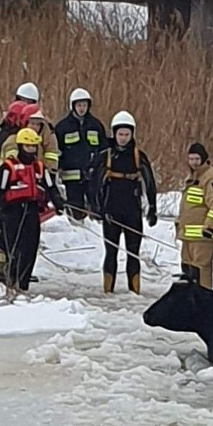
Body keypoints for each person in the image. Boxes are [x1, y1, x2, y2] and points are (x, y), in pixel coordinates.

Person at [87, 110, 157, 295]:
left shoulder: (138, 156)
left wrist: (153, 208)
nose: (123, 138)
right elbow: (94, 185)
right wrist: (96, 207)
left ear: (132, 134)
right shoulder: (106, 156)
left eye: (127, 134)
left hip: (133, 212)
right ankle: (108, 292)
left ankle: (135, 292)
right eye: (120, 134)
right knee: (111, 252)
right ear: (114, 134)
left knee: (133, 253)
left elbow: (150, 183)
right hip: (111, 213)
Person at [0, 127, 64, 293]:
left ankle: (23, 286)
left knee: (30, 248)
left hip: (31, 211)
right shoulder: (8, 167)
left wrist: (58, 203)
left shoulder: (39, 167)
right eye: (27, 146)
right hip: (12, 212)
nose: (30, 150)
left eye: (33, 147)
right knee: (14, 249)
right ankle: (11, 283)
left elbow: (50, 187)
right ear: (20, 146)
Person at [53, 88, 107, 221]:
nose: (82, 108)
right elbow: (56, 151)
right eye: (79, 105)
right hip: (71, 177)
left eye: (84, 105)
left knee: (97, 208)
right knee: (75, 209)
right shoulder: (62, 127)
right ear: (72, 106)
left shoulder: (96, 125)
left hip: (93, 176)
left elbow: (104, 149)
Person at [176, 142, 213, 289]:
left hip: (203, 236)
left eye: (197, 159)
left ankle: (204, 301)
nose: (194, 163)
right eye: (191, 159)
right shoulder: (192, 178)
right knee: (188, 270)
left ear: (203, 159)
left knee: (201, 271)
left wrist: (209, 227)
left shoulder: (211, 178)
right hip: (189, 236)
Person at [7, 81, 59, 170]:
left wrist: (49, 170)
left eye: (29, 102)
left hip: (38, 170)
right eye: (22, 100)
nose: (25, 104)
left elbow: (51, 150)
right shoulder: (10, 119)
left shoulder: (44, 124)